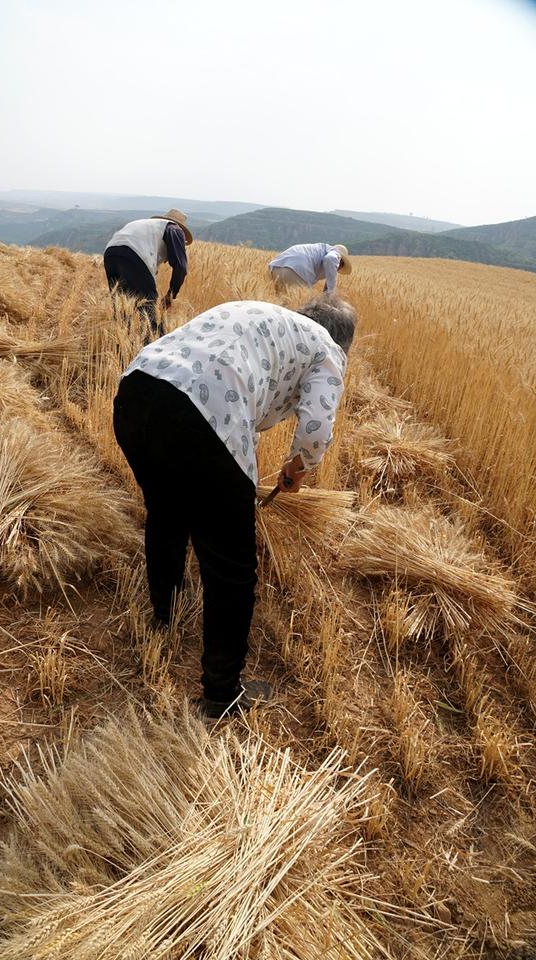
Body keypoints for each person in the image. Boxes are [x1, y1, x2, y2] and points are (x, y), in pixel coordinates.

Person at [113, 292, 356, 719]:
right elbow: (317, 427)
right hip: (199, 413)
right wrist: (299, 467)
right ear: (343, 343)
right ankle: (222, 694)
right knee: (232, 570)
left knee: (167, 512)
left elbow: (234, 387)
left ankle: (163, 615)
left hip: (136, 392)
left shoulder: (260, 316)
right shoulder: (326, 349)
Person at [103, 208, 192, 338]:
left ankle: (120, 343)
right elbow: (181, 267)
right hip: (134, 254)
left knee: (121, 304)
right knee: (148, 307)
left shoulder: (148, 226)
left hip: (110, 253)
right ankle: (154, 346)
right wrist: (171, 295)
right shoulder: (175, 229)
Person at [269, 243, 352, 294]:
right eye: (341, 265)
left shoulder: (320, 249)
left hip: (276, 268)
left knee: (280, 307)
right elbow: (330, 259)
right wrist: (331, 293)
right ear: (340, 261)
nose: (338, 268)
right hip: (296, 271)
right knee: (301, 309)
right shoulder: (335, 254)